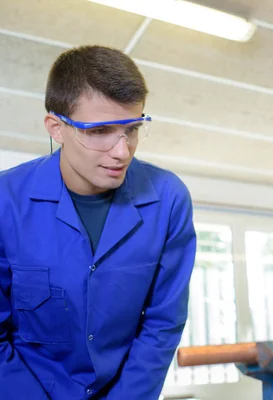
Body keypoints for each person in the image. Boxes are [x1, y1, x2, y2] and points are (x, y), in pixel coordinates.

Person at [0, 45, 197, 399]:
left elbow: (162, 324)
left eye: (132, 129)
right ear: (56, 128)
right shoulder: (4, 200)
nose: (122, 151)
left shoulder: (168, 199)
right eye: (100, 130)